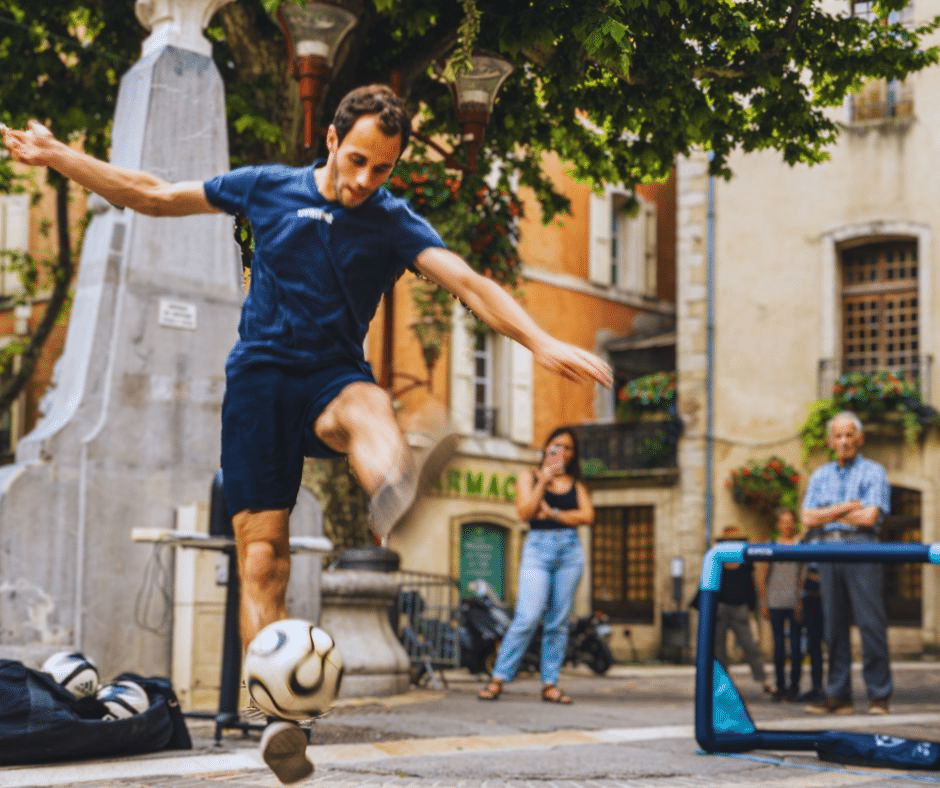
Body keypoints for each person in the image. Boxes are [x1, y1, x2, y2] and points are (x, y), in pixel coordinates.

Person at [1, 86, 613, 783]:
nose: (363, 182)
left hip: (331, 377)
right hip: (259, 385)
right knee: (263, 560)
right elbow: (150, 193)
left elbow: (468, 282)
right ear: (330, 138)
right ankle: (282, 724)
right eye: (356, 160)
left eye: (381, 170)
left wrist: (538, 340)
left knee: (367, 406)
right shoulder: (266, 188)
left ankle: (393, 480)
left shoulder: (392, 221)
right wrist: (55, 154)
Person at [477, 426, 595, 704]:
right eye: (556, 446)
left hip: (570, 552)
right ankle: (498, 678)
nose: (562, 452)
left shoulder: (577, 485)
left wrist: (552, 512)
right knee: (527, 616)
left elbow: (588, 516)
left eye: (568, 448)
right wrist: (544, 481)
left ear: (573, 454)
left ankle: (550, 683)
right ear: (546, 449)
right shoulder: (528, 477)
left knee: (558, 622)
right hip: (537, 550)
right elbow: (526, 513)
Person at [801, 410, 892, 716]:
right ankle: (838, 695)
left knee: (870, 623)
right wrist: (845, 507)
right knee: (833, 625)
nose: (844, 441)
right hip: (827, 549)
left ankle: (879, 695)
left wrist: (827, 512)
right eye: (838, 436)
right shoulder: (820, 475)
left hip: (862, 546)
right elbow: (806, 517)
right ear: (830, 441)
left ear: (860, 438)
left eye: (849, 435)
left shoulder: (874, 472)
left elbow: (869, 517)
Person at [712, 524, 772, 696]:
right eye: (729, 541)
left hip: (740, 609)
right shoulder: (717, 559)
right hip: (720, 608)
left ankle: (763, 680)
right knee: (719, 649)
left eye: (735, 541)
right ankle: (723, 684)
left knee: (750, 646)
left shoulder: (745, 561)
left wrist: (754, 606)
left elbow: (752, 584)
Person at [755, 507, 803, 702]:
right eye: (784, 522)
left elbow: (802, 575)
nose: (787, 525)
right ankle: (781, 687)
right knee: (779, 648)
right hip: (775, 602)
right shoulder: (772, 546)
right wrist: (764, 603)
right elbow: (762, 576)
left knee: (797, 647)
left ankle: (794, 688)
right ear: (778, 525)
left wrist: (800, 601)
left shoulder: (800, 546)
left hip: (794, 602)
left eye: (790, 521)